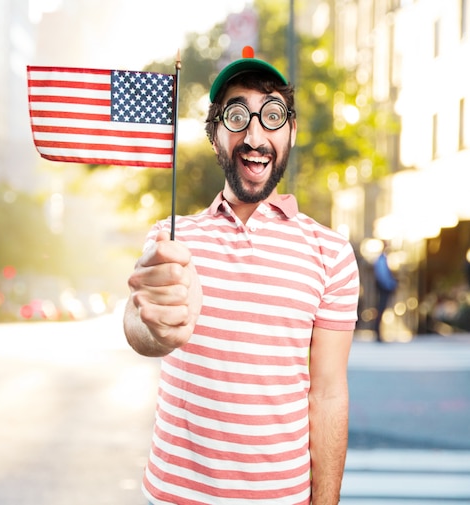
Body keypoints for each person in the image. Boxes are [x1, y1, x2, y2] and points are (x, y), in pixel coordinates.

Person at [123, 48, 360, 505]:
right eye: (236, 117)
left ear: (291, 132)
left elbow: (329, 393)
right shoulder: (173, 236)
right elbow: (140, 328)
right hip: (174, 495)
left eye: (272, 116)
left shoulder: (330, 252)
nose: (254, 135)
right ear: (214, 135)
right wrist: (156, 321)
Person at [373, 245, 397, 342]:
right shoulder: (382, 260)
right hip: (384, 288)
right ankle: (377, 332)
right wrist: (391, 285)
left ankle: (378, 332)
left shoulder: (383, 259)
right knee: (380, 309)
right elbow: (383, 276)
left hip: (384, 287)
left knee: (381, 310)